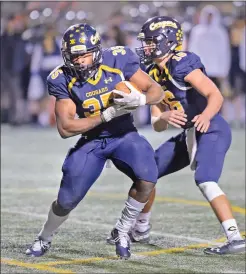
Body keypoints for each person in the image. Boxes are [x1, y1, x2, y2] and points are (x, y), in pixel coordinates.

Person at [107, 16, 245, 255]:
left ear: (167, 42)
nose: (146, 47)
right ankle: (141, 228)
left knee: (206, 179)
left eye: (151, 41)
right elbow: (157, 124)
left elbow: (216, 95)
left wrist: (205, 116)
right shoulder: (151, 73)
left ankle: (234, 237)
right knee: (147, 171)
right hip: (189, 134)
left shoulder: (182, 63)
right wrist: (164, 118)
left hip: (211, 128)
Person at [25, 23, 164, 258]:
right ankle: (44, 237)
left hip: (123, 135)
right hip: (92, 142)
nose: (79, 61)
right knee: (65, 202)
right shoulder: (62, 78)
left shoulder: (119, 60)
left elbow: (156, 90)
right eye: (74, 56)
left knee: (148, 175)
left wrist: (139, 100)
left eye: (84, 55)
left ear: (97, 50)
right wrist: (106, 115)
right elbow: (66, 128)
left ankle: (122, 230)